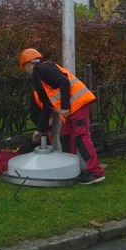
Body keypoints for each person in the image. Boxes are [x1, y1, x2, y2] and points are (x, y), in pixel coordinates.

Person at [19, 48, 105, 185]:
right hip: (72, 108)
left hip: (77, 105)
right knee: (65, 137)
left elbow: (64, 82)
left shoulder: (44, 69)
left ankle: (96, 172)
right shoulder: (40, 75)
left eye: (24, 67)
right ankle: (70, 170)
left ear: (28, 64)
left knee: (81, 138)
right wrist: (40, 129)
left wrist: (65, 107)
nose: (25, 71)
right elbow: (47, 105)